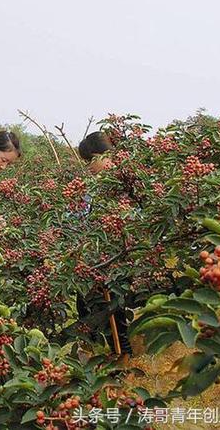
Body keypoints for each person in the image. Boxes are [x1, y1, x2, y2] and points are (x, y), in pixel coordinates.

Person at [76, 130, 133, 358]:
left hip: (113, 256)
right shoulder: (94, 185)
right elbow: (81, 218)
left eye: (90, 160)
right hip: (96, 255)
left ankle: (123, 355)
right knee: (89, 303)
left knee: (113, 310)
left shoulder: (122, 181)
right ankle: (101, 352)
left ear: (102, 155)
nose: (88, 166)